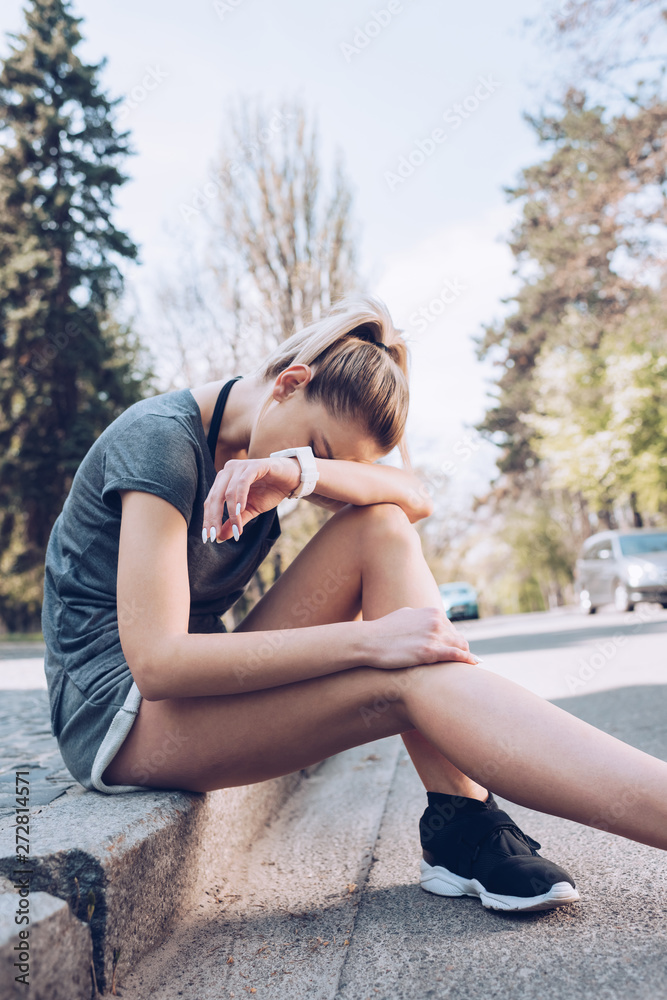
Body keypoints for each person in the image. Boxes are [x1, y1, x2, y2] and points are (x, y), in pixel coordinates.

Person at [42, 292, 667, 915]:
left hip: (199, 686)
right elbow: (158, 664)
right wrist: (370, 642)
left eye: (321, 466)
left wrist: (303, 473)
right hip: (121, 718)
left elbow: (412, 496)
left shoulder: (265, 460)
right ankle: (473, 825)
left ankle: (463, 822)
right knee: (403, 680)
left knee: (382, 528)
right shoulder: (161, 444)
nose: (307, 472)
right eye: (313, 448)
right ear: (289, 383)